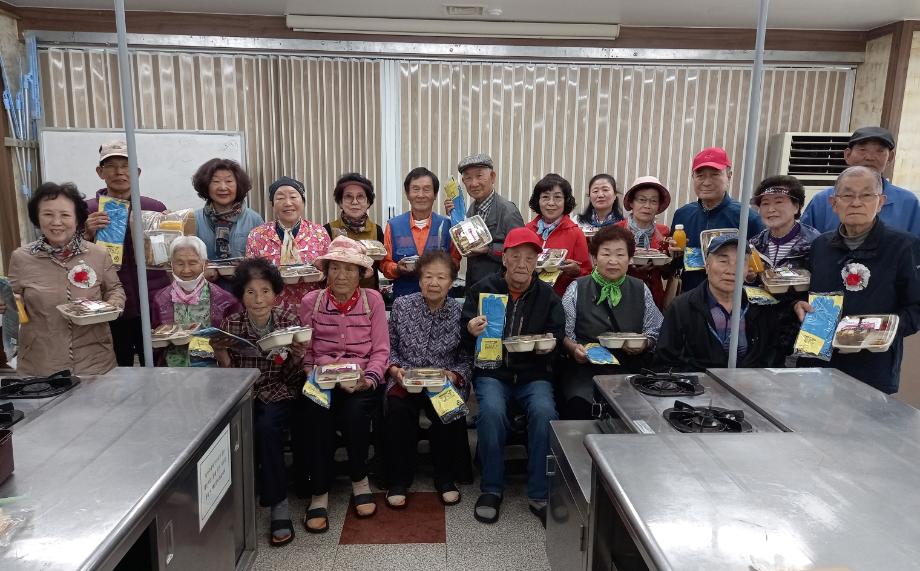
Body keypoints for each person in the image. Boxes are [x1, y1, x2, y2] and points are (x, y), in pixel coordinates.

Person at [460, 227, 563, 527]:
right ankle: (491, 488)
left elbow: (557, 335)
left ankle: (539, 493)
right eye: (515, 256)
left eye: (529, 258)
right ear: (503, 258)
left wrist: (548, 347)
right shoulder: (482, 288)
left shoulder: (547, 295)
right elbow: (464, 336)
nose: (522, 263)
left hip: (533, 374)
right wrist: (470, 330)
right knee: (490, 412)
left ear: (537, 261)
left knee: (545, 412)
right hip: (493, 372)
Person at [795, 166, 920, 394]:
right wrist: (798, 304)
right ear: (834, 203)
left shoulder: (903, 246)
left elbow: (916, 307)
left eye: (866, 195)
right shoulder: (820, 245)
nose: (856, 202)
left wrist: (880, 330)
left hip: (873, 368)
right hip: (817, 364)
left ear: (880, 202)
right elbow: (806, 293)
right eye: (847, 195)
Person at [212, 258, 306, 547]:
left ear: (276, 293)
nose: (258, 299)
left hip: (279, 390)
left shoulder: (289, 319)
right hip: (245, 392)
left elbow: (293, 378)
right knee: (231, 428)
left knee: (266, 427)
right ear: (241, 294)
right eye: (251, 292)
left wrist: (297, 355)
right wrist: (222, 355)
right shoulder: (232, 323)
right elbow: (229, 377)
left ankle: (278, 504)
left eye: (265, 291)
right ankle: (231, 500)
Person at [298, 237, 389, 532]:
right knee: (314, 415)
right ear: (326, 270)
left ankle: (359, 479)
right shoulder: (311, 302)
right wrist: (314, 376)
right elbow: (307, 352)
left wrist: (369, 379)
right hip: (322, 380)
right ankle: (319, 491)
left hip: (359, 380)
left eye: (350, 269)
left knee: (355, 415)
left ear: (361, 273)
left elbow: (380, 351)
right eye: (335, 268)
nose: (342, 275)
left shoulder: (372, 300)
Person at [384, 250, 472, 508]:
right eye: (428, 277)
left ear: (452, 282)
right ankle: (399, 480)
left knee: (447, 408)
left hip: (442, 380)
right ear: (419, 279)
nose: (434, 283)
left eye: (441, 277)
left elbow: (466, 358)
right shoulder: (401, 305)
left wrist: (453, 376)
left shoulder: (460, 313)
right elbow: (389, 346)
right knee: (399, 410)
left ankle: (445, 478)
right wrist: (394, 369)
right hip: (406, 377)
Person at [8, 182, 125, 376]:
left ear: (78, 218)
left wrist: (113, 306)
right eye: (47, 214)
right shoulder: (21, 257)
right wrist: (7, 303)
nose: (56, 222)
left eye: (64, 215)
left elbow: (115, 289)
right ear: (37, 218)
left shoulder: (98, 254)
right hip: (41, 363)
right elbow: (13, 300)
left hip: (95, 360)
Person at [561, 225, 663, 419]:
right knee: (579, 404)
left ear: (630, 258)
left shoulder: (640, 289)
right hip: (586, 369)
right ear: (594, 258)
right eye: (606, 254)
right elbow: (564, 333)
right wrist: (574, 349)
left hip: (630, 369)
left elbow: (655, 330)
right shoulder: (577, 288)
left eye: (620, 255)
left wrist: (644, 344)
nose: (613, 261)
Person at [84, 140, 170, 366]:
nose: (119, 172)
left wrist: (172, 227)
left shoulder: (154, 207)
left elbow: (168, 255)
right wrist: (86, 233)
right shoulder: (89, 209)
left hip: (152, 303)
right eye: (111, 166)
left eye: (126, 165)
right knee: (116, 366)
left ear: (137, 172)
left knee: (156, 364)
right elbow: (73, 259)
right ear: (100, 172)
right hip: (110, 304)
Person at [655, 234, 779, 371]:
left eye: (740, 263)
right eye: (723, 261)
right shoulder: (682, 307)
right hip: (697, 388)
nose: (731, 271)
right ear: (707, 266)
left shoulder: (761, 306)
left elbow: (771, 359)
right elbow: (664, 362)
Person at [747, 175, 821, 365]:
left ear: (796, 207)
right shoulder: (754, 244)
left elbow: (824, 290)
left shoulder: (816, 244)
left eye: (779, 202)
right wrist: (748, 279)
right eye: (765, 203)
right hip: (761, 333)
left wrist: (799, 301)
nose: (771, 209)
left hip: (799, 332)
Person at [669, 147, 765, 292]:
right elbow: (673, 266)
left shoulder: (748, 217)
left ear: (729, 176)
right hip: (690, 299)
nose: (706, 182)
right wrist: (673, 254)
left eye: (714, 175)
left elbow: (762, 270)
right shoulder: (683, 214)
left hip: (732, 302)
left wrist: (753, 274)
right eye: (700, 175)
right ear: (693, 177)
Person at [801, 127, 920, 236]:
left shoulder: (908, 203)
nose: (870, 157)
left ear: (890, 157)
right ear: (847, 155)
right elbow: (803, 246)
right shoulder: (822, 201)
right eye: (862, 149)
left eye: (879, 151)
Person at [150, 236, 241, 366]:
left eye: (192, 263)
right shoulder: (161, 299)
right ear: (171, 264)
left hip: (212, 369)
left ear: (205, 264)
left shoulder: (226, 301)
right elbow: (156, 339)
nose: (186, 270)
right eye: (180, 263)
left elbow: (235, 344)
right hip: (172, 370)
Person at [246, 176, 330, 310]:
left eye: (293, 197)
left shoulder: (320, 233)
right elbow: (250, 276)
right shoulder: (257, 235)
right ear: (273, 204)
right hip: (272, 309)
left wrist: (322, 274)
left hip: (313, 307)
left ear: (303, 202)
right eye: (280, 198)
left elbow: (331, 272)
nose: (287, 203)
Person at [444, 153, 525, 289]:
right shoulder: (471, 210)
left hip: (500, 290)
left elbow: (520, 252)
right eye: (468, 178)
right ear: (463, 182)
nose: (474, 183)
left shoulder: (508, 211)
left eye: (479, 176)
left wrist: (488, 249)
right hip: (475, 287)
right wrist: (453, 217)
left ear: (492, 177)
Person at [381, 167, 459, 299]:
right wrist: (398, 269)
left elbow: (455, 262)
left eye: (427, 189)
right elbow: (385, 264)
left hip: (440, 300)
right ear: (407, 194)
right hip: (404, 300)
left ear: (435, 194)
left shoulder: (447, 225)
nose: (421, 195)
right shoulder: (393, 225)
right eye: (415, 189)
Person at [192, 158, 264, 287]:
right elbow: (184, 260)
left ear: (238, 185)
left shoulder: (254, 219)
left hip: (244, 293)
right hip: (204, 294)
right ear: (206, 185)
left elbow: (263, 262)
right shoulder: (193, 219)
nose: (223, 187)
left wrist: (245, 269)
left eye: (229, 181)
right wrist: (202, 270)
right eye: (216, 181)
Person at [524, 173, 591, 296]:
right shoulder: (527, 230)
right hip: (528, 296)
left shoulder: (576, 233)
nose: (551, 203)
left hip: (560, 298)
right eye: (545, 197)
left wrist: (576, 271)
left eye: (557, 197)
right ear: (538, 201)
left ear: (566, 201)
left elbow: (587, 273)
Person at [615, 176, 673, 309]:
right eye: (642, 200)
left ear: (658, 206)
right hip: (619, 294)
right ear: (631, 203)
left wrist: (671, 258)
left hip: (654, 297)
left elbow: (667, 273)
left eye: (653, 201)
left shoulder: (664, 232)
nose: (647, 206)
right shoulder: (615, 230)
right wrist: (628, 266)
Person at [323, 173, 385, 290]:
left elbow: (382, 266)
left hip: (369, 297)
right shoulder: (327, 230)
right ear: (340, 202)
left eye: (360, 196)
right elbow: (323, 269)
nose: (354, 202)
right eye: (348, 196)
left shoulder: (376, 230)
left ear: (368, 202)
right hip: (336, 297)